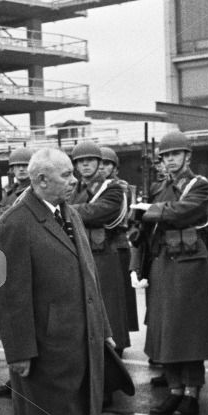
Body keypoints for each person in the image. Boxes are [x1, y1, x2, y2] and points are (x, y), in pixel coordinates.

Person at [0, 147, 119, 415]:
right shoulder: (14, 223)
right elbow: (8, 294)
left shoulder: (70, 213)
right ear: (40, 180)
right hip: (44, 346)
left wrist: (103, 329)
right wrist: (20, 353)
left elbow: (88, 278)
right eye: (65, 175)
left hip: (75, 338)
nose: (74, 179)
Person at [131, 131, 208, 415]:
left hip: (190, 262)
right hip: (162, 261)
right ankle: (175, 390)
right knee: (165, 330)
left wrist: (150, 211)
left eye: (174, 155)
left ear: (187, 156)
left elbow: (184, 211)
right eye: (166, 156)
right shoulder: (157, 188)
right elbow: (143, 231)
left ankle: (192, 393)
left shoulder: (200, 185)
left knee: (189, 329)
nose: (169, 161)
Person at [68, 141, 131, 358]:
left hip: (102, 254)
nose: (85, 165)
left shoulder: (112, 188)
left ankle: (113, 360)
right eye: (80, 161)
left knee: (108, 310)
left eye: (90, 161)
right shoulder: (72, 188)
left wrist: (65, 210)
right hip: (77, 254)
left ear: (98, 163)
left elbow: (96, 212)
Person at [0, 146, 33, 399]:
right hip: (5, 255)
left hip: (22, 257)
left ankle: (24, 377)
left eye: (24, 165)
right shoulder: (11, 192)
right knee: (8, 319)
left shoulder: (33, 190)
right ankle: (15, 375)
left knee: (22, 318)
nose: (20, 169)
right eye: (16, 166)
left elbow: (6, 216)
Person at [99, 146, 138, 336]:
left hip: (118, 242)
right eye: (101, 163)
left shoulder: (119, 187)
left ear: (115, 168)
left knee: (119, 296)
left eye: (107, 164)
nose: (102, 168)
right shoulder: (95, 187)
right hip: (102, 242)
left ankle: (119, 335)